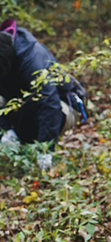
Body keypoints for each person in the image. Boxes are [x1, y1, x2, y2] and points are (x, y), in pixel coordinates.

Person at [0, 19, 87, 170]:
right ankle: (19, 143)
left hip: (63, 105)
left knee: (39, 104)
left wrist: (45, 150)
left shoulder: (32, 59)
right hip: (24, 104)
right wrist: (7, 130)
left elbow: (49, 104)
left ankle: (36, 148)